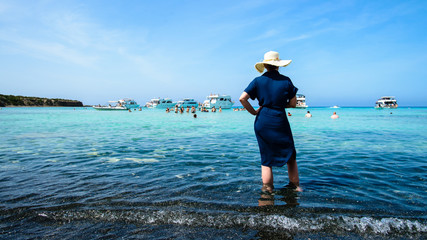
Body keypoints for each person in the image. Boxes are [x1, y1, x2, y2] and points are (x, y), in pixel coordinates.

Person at [240, 50, 302, 193]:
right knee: (290, 155)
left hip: (263, 120)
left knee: (266, 158)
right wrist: (280, 105)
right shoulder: (286, 80)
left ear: (265, 65)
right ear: (278, 65)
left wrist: (254, 112)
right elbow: (293, 104)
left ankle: (267, 191)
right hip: (279, 119)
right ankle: (295, 188)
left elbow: (242, 98)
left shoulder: (257, 81)